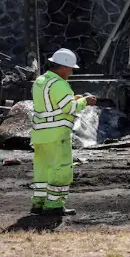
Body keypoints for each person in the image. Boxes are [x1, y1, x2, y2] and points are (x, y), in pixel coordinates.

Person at [30, 48, 97, 216]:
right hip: (57, 135)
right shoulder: (59, 84)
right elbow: (69, 108)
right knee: (61, 169)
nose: (72, 72)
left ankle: (38, 204)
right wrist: (84, 101)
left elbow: (50, 105)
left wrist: (73, 98)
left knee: (42, 169)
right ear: (63, 67)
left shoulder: (40, 81)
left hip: (40, 135)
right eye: (71, 68)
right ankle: (54, 206)